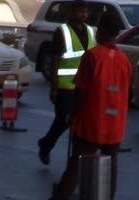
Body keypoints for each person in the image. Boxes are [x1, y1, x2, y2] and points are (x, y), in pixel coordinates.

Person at [51, 11, 131, 200]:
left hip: (92, 122)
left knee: (76, 163)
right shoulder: (124, 60)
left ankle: (60, 196)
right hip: (115, 124)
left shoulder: (92, 56)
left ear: (102, 30)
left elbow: (81, 90)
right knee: (110, 165)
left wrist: (74, 115)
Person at [38, 0, 96, 166]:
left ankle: (77, 155)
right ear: (71, 13)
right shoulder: (62, 31)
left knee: (80, 121)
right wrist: (53, 87)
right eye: (79, 11)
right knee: (63, 119)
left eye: (85, 11)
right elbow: (55, 60)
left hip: (84, 85)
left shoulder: (90, 31)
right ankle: (46, 144)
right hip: (65, 84)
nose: (83, 14)